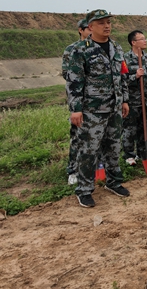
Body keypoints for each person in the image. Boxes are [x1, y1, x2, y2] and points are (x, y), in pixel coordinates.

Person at [65, 9, 130, 208]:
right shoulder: (80, 49)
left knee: (113, 147)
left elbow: (121, 76)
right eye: (101, 23)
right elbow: (74, 81)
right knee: (88, 150)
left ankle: (114, 181)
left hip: (114, 107)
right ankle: (84, 190)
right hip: (91, 110)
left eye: (108, 22)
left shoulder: (116, 48)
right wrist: (76, 109)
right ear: (90, 27)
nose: (107, 26)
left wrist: (124, 100)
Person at [121, 30, 147, 165]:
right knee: (130, 128)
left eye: (145, 38)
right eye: (142, 39)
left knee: (144, 126)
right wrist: (135, 76)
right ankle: (129, 154)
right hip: (133, 100)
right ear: (133, 42)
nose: (145, 41)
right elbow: (122, 80)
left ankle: (143, 151)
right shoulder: (125, 59)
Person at [62, 18, 91, 185]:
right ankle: (72, 170)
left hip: (99, 102)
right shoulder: (72, 50)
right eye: (88, 28)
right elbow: (68, 76)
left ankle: (94, 168)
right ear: (81, 30)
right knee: (77, 136)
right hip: (81, 100)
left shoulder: (101, 48)